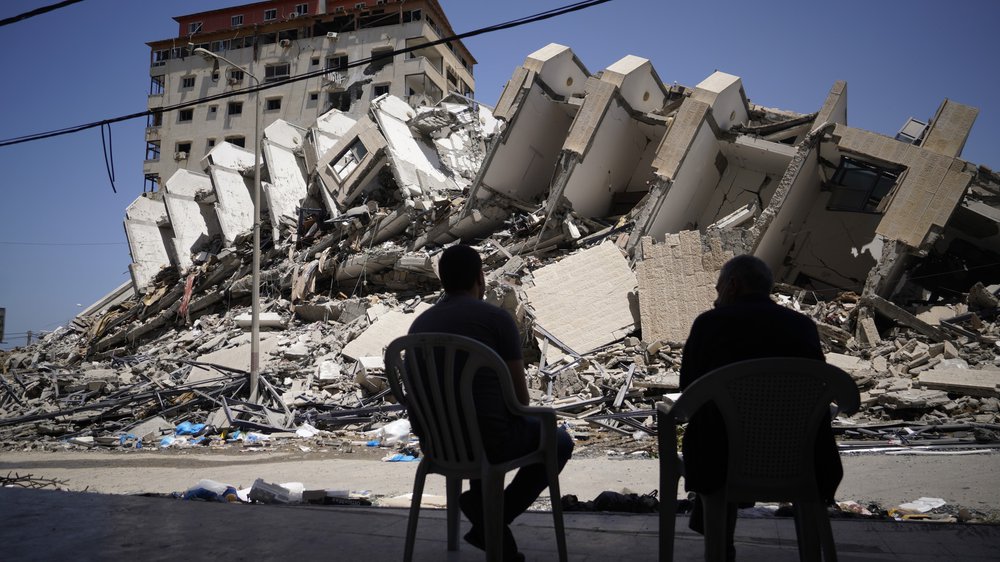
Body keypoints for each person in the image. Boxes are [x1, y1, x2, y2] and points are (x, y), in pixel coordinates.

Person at [408, 244, 573, 562]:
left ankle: (487, 519)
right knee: (560, 441)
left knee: (479, 424)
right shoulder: (496, 319)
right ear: (480, 279)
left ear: (443, 281)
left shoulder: (420, 326)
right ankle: (491, 520)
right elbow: (520, 400)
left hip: (438, 445)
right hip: (491, 443)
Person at [679, 254, 841, 560]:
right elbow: (818, 386)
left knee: (715, 432)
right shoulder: (802, 326)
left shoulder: (709, 325)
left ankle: (720, 545)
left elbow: (689, 389)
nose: (716, 297)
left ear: (732, 286)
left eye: (718, 288)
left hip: (722, 461)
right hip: (800, 457)